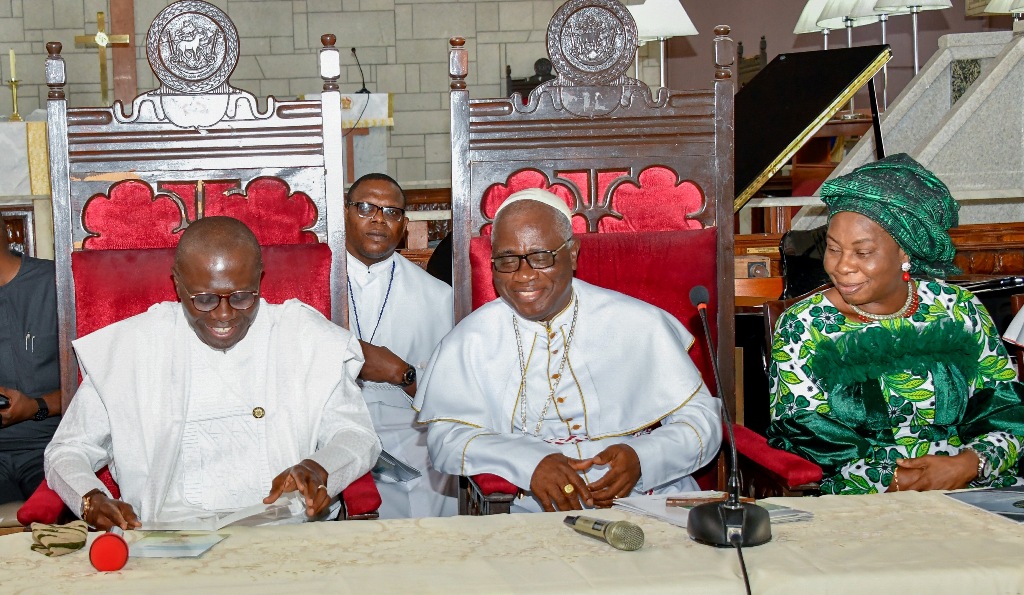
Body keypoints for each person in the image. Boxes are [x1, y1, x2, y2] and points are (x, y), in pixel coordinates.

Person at [44, 217, 381, 529]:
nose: (224, 315)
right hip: (166, 533)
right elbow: (67, 449)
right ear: (177, 284)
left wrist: (322, 467)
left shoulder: (305, 338)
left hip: (286, 529)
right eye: (203, 299)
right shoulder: (132, 349)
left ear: (259, 279)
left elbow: (357, 435)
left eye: (241, 297)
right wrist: (91, 498)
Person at [414, 189, 722, 513]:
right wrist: (528, 462)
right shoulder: (471, 340)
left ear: (572, 254)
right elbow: (445, 439)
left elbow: (703, 422)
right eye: (507, 260)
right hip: (532, 507)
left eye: (541, 257)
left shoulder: (638, 322)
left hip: (648, 497)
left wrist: (643, 458)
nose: (524, 275)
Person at [767, 154, 1024, 495]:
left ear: (905, 252)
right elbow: (803, 435)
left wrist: (970, 463)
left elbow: (1007, 410)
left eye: (862, 252)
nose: (842, 266)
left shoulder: (959, 309)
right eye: (832, 249)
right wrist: (893, 480)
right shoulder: (804, 325)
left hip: (970, 487)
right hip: (863, 499)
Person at [344, 173, 456, 518]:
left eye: (392, 212)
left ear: (404, 224)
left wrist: (401, 373)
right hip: (337, 423)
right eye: (365, 208)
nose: (379, 218)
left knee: (433, 483)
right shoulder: (317, 285)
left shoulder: (438, 297)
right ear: (345, 212)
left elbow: (452, 398)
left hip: (410, 427)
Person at [0, 224, 61, 505]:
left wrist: (35, 408)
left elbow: (97, 383)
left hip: (49, 447)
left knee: (57, 518)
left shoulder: (57, 283)